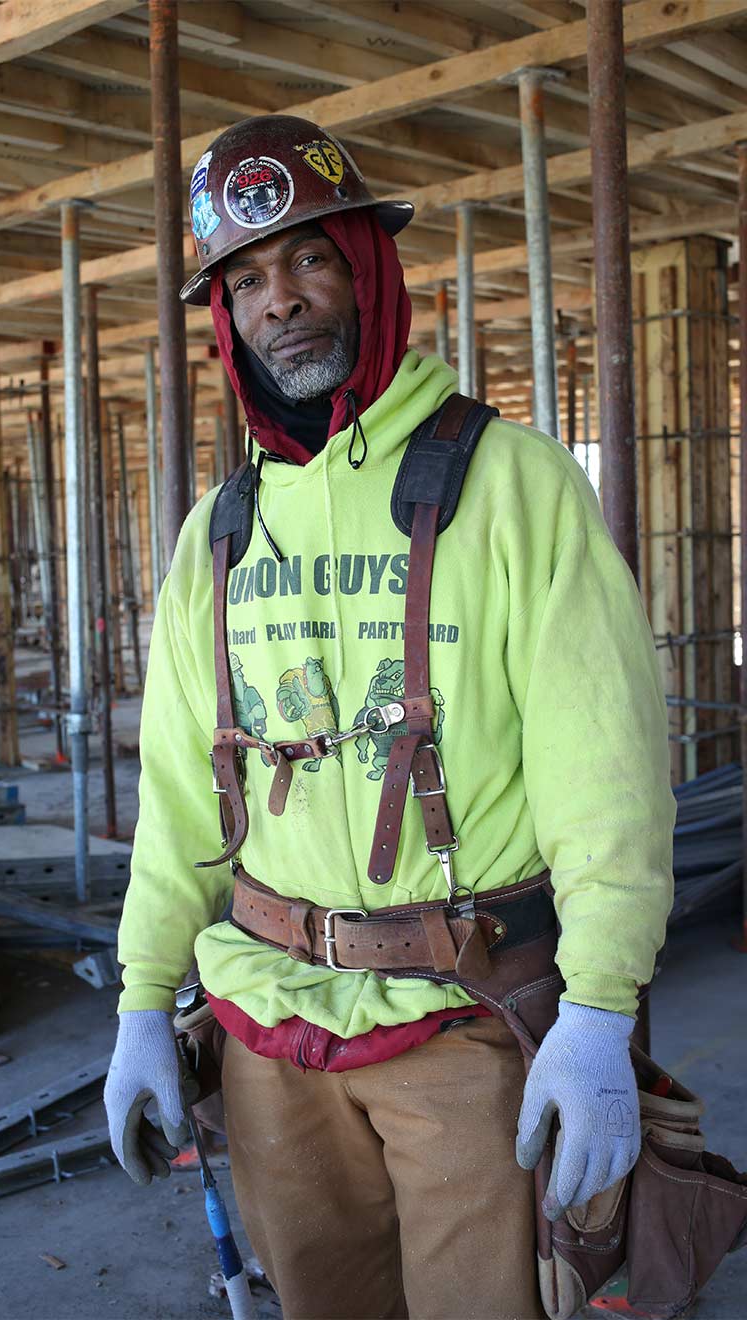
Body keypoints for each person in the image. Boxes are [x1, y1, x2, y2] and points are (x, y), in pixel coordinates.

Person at [102, 116, 671, 1319]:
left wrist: (601, 1013)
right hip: (266, 1032)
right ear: (225, 316)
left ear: (366, 264)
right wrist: (142, 1002)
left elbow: (604, 774)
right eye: (247, 279)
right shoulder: (218, 537)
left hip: (462, 1027)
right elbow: (170, 799)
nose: (281, 303)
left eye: (309, 258)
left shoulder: (513, 487)